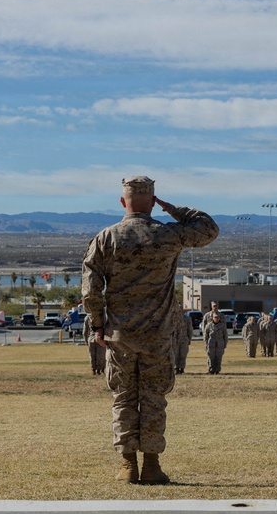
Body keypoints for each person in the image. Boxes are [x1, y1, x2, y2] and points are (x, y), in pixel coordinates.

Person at [82, 175, 219, 484]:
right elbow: (208, 229)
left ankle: (128, 465)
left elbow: (91, 290)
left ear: (122, 201)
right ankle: (153, 465)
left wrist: (98, 325)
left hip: (120, 335)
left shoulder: (107, 238)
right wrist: (175, 209)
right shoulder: (168, 235)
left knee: (124, 398)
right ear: (154, 202)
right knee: (154, 397)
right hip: (157, 334)